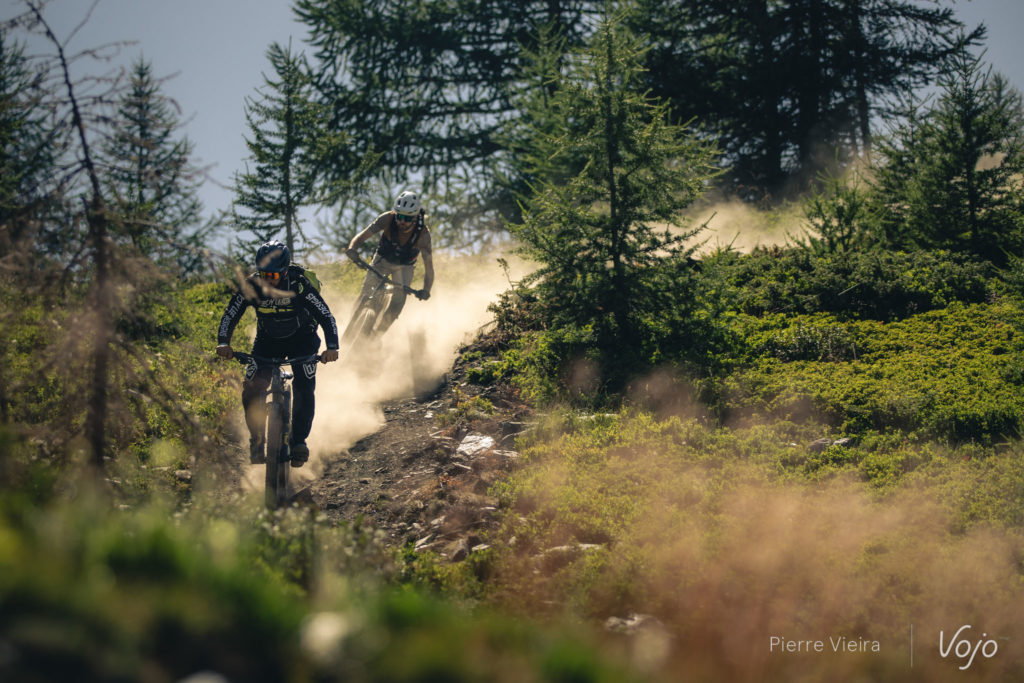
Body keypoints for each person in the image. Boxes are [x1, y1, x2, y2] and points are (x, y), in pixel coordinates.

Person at [216, 240, 340, 467]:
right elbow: (230, 314)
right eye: (264, 274)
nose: (268, 280)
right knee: (252, 387)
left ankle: (299, 441)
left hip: (303, 340)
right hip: (268, 341)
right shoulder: (252, 286)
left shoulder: (299, 285)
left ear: (284, 272)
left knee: (304, 386)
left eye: (273, 276)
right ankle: (257, 439)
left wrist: (332, 347)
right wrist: (223, 342)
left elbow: (325, 315)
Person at [343, 190, 433, 341]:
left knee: (398, 301)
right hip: (382, 260)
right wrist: (352, 249)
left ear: (415, 217)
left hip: (404, 267)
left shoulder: (423, 235)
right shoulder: (387, 219)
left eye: (407, 218)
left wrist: (426, 290)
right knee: (365, 293)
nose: (402, 221)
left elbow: (429, 268)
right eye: (400, 216)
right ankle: (353, 321)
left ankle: (376, 337)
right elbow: (362, 236)